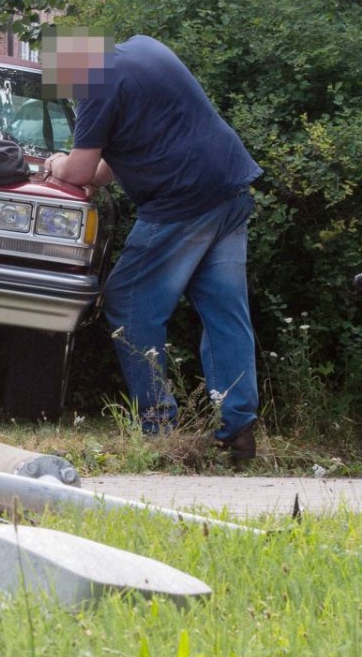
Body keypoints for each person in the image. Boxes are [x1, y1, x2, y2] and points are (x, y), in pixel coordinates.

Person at [40, 27, 262, 459]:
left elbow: (82, 170)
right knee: (224, 308)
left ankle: (158, 425)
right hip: (230, 187)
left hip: (184, 199)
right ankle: (237, 429)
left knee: (127, 298)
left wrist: (54, 164)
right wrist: (86, 167)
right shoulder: (144, 48)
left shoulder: (93, 81)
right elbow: (107, 164)